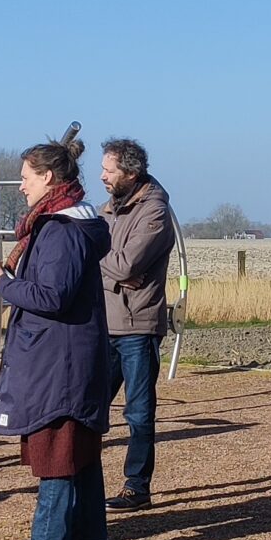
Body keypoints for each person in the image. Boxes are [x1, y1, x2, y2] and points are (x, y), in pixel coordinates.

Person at [0, 135, 111, 540]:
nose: (21, 186)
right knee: (80, 449)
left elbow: (52, 295)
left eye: (25, 178)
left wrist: (3, 282)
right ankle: (87, 538)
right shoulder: (65, 226)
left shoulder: (60, 229)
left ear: (48, 177)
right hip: (67, 353)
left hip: (60, 359)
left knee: (57, 448)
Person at [97, 138, 176, 510]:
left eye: (108, 171)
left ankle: (137, 486)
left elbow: (128, 265)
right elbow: (89, 253)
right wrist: (108, 267)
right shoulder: (109, 208)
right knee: (89, 407)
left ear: (131, 172)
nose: (102, 177)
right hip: (102, 323)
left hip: (138, 326)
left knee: (139, 412)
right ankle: (84, 480)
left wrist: (103, 264)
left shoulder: (155, 212)